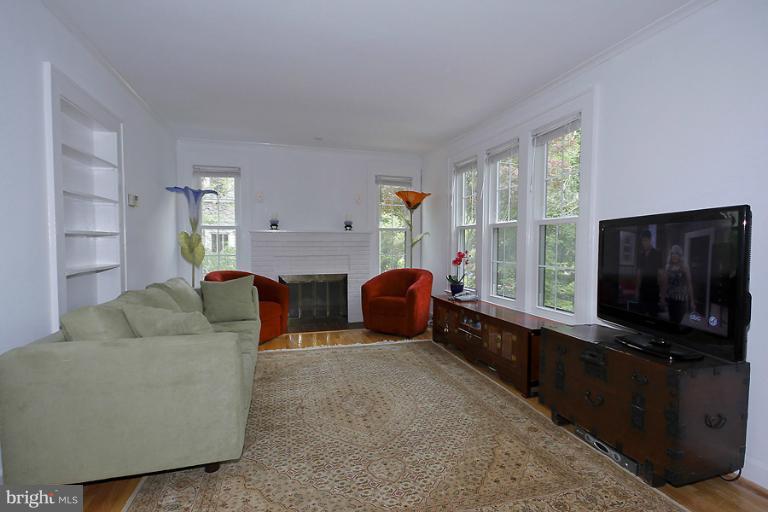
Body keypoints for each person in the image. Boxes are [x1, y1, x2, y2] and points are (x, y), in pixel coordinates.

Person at [661, 245, 697, 324]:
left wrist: (692, 301)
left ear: (680, 256)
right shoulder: (668, 267)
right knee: (672, 320)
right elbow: (665, 284)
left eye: (676, 254)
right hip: (671, 299)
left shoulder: (685, 267)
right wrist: (662, 298)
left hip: (681, 300)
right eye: (672, 254)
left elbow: (689, 284)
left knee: (677, 320)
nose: (674, 256)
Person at [635, 230, 662, 317]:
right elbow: (639, 273)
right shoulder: (641, 255)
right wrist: (637, 290)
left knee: (653, 314)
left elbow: (661, 274)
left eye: (645, 240)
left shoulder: (657, 254)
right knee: (641, 313)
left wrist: (662, 293)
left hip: (653, 289)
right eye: (642, 241)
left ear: (650, 240)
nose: (644, 243)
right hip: (643, 288)